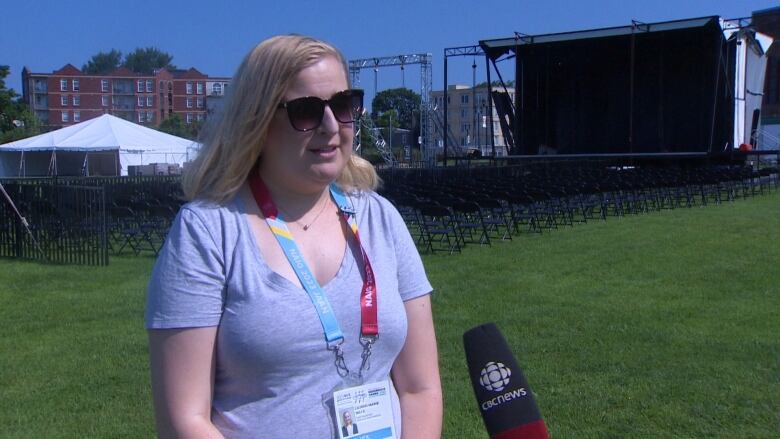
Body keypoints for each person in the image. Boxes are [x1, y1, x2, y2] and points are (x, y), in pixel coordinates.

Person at [145, 35, 442, 439]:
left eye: (343, 105)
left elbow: (419, 387)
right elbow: (184, 420)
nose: (331, 126)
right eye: (306, 111)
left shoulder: (380, 219)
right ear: (258, 121)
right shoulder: (207, 232)